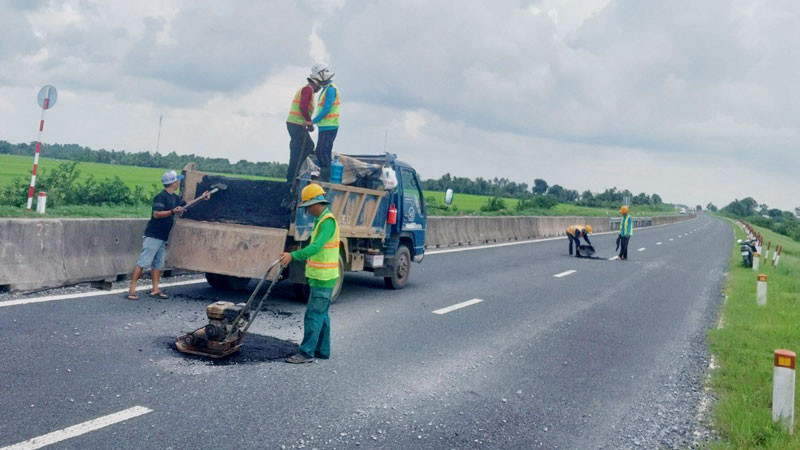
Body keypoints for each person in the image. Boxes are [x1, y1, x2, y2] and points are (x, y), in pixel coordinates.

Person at [126, 170, 209, 300]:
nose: (178, 182)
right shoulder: (160, 197)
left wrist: (202, 198)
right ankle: (132, 289)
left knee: (158, 264)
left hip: (163, 236)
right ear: (172, 183)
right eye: (177, 180)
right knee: (143, 261)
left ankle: (155, 289)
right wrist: (172, 211)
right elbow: (156, 214)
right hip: (153, 235)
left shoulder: (175, 198)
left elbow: (187, 205)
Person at [280, 183, 340, 363]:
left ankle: (306, 353)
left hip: (324, 278)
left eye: (308, 207)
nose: (307, 211)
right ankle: (323, 350)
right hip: (321, 277)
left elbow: (315, 247)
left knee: (313, 314)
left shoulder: (327, 222)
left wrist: (293, 256)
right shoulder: (321, 220)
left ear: (316, 203)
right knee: (322, 314)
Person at [285, 73, 321, 183]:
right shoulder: (308, 89)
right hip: (296, 124)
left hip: (294, 124)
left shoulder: (306, 89)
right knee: (308, 146)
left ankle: (293, 174)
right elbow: (303, 106)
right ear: (316, 83)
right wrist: (309, 122)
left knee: (298, 149)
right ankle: (292, 175)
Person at [309, 64, 340, 182]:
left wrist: (313, 121)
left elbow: (327, 108)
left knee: (322, 150)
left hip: (330, 125)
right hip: (325, 126)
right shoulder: (326, 89)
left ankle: (325, 179)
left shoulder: (331, 89)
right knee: (321, 150)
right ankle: (323, 175)